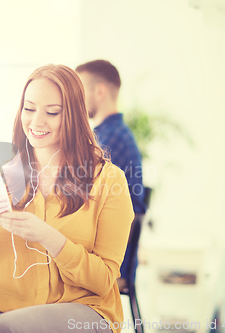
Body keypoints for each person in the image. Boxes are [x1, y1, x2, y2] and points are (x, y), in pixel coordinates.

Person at [0, 64, 134, 333]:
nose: (37, 122)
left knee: (3, 329)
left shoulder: (108, 180)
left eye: (52, 112)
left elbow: (103, 280)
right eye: (29, 109)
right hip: (3, 313)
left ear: (74, 116)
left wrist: (48, 236)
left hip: (84, 311)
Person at [75, 60, 147, 290]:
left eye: (80, 90)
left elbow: (80, 196)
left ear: (100, 91)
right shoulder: (110, 134)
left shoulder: (108, 142)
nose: (76, 99)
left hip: (111, 263)